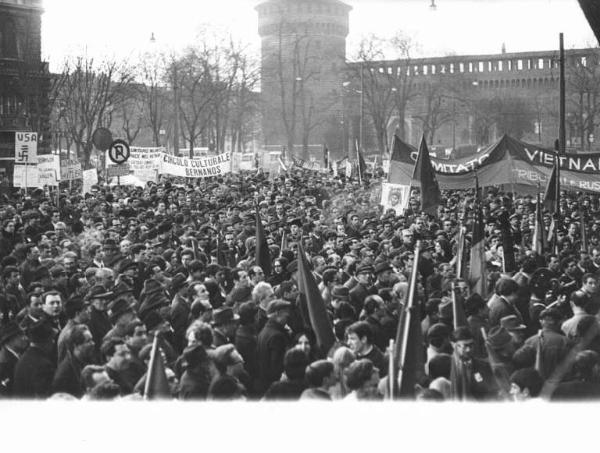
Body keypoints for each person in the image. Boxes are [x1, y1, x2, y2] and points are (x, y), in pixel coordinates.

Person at [256, 299, 292, 395]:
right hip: (276, 387)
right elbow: (277, 367)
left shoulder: (264, 332)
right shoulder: (277, 336)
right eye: (286, 315)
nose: (288, 318)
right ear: (277, 313)